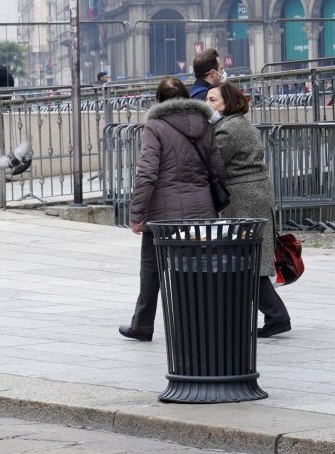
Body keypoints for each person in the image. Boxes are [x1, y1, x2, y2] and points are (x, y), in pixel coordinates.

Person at [120, 76, 225, 342]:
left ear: (158, 100)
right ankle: (201, 326)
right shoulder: (205, 124)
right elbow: (217, 168)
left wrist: (136, 214)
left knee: (151, 270)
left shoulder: (155, 126)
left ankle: (142, 325)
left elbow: (147, 173)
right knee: (199, 270)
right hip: (201, 212)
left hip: (163, 216)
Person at [207, 82, 291, 338]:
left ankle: (277, 315)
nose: (208, 104)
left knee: (246, 258)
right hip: (254, 193)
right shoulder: (240, 124)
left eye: (213, 100)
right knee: (249, 258)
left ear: (228, 103)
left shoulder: (228, 130)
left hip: (244, 197)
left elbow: (214, 164)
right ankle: (272, 315)